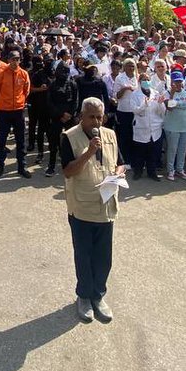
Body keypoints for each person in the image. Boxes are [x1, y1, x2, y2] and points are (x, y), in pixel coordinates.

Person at [61, 97, 125, 324]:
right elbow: (68, 171)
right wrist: (88, 153)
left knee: (103, 257)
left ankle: (99, 295)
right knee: (84, 254)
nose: (96, 122)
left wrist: (119, 172)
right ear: (82, 116)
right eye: (91, 117)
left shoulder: (110, 135)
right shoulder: (69, 136)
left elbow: (119, 161)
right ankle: (84, 296)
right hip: (82, 207)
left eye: (100, 117)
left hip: (106, 205)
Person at [0, 49, 31, 179]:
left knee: (21, 140)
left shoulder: (24, 74)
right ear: (8, 60)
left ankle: (22, 166)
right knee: (1, 140)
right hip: (3, 111)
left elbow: (26, 91)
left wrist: (20, 102)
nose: (15, 62)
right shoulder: (1, 73)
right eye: (13, 59)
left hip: (19, 111)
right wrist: (2, 104)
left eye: (17, 59)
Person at [44, 63, 79, 178]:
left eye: (66, 71)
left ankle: (71, 165)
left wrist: (70, 114)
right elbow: (49, 102)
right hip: (56, 116)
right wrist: (60, 114)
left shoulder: (72, 84)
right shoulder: (53, 84)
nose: (64, 73)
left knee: (71, 142)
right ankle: (51, 165)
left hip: (69, 117)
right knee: (53, 142)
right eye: (61, 71)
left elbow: (76, 101)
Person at [162, 71, 186, 180]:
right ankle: (170, 170)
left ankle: (180, 169)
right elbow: (169, 107)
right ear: (171, 82)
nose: (178, 84)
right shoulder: (166, 93)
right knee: (172, 149)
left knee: (182, 149)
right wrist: (172, 94)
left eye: (180, 81)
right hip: (172, 126)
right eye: (176, 82)